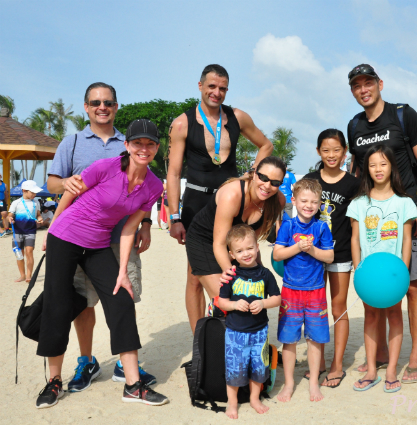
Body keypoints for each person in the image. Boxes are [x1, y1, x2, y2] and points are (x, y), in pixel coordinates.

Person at [36, 119, 167, 409]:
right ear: (127, 145)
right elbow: (70, 193)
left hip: (98, 244)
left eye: (150, 144)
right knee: (58, 305)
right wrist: (51, 230)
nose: (144, 148)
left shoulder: (154, 185)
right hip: (65, 236)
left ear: (157, 148)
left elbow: (130, 228)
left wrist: (122, 272)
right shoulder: (106, 167)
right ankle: (54, 381)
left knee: (122, 299)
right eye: (138, 142)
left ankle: (133, 385)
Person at [166, 64, 274, 334]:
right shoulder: (182, 123)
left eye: (222, 88)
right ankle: (199, 339)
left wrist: (253, 175)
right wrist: (174, 217)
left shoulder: (237, 117)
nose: (216, 92)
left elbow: (266, 145)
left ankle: (235, 326)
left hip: (232, 202)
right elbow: (174, 172)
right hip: (196, 203)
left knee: (239, 263)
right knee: (195, 276)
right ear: (200, 86)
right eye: (212, 86)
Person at [347, 64, 417, 384]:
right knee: (375, 284)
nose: (363, 89)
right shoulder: (354, 125)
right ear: (353, 91)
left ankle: (416, 354)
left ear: (380, 84)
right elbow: (358, 169)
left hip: (405, 211)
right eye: (357, 85)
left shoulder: (402, 115)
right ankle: (380, 354)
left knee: (412, 284)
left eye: (368, 83)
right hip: (372, 214)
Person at [347, 145, 417, 393]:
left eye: (383, 163)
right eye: (372, 164)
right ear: (366, 169)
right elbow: (355, 239)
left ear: (392, 167)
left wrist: (404, 272)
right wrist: (359, 270)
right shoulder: (358, 203)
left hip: (393, 275)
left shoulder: (404, 203)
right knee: (371, 316)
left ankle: (390, 371)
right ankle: (370, 371)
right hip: (369, 275)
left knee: (395, 316)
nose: (378, 169)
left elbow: (407, 240)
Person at [185, 156, 285, 310]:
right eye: (263, 178)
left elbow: (251, 240)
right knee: (226, 298)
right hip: (204, 239)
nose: (267, 186)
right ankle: (205, 325)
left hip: (237, 244)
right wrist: (233, 276)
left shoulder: (277, 201)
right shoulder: (232, 194)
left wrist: (259, 270)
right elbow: (219, 243)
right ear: (254, 174)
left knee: (249, 293)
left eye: (275, 182)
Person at [303, 129, 360, 388]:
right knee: (316, 308)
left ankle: (337, 365)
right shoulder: (310, 179)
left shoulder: (353, 184)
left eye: (336, 150)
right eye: (326, 150)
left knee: (338, 308)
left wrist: (357, 259)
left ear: (344, 151)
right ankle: (320, 362)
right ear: (318, 151)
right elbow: (300, 212)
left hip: (341, 254)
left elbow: (356, 224)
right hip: (311, 254)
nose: (331, 155)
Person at [274, 178, 334, 402]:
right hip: (291, 291)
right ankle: (289, 383)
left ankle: (313, 383)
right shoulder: (288, 225)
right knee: (289, 339)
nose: (309, 205)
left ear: (320, 204)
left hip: (316, 291)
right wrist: (298, 247)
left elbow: (329, 256)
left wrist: (311, 250)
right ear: (294, 200)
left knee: (315, 339)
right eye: (304, 201)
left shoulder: (321, 227)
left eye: (314, 202)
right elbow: (277, 254)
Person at [217, 224, 281, 419]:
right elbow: (221, 302)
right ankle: (232, 402)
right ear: (231, 254)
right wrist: (235, 305)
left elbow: (277, 298)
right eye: (239, 251)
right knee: (235, 369)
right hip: (235, 333)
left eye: (250, 248)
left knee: (259, 368)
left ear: (257, 247)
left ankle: (254, 398)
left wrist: (263, 303)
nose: (246, 254)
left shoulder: (265, 274)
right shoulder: (231, 276)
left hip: (260, 331)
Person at [8, 180, 43, 282]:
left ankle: (29, 276)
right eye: (32, 192)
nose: (34, 194)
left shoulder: (36, 202)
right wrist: (10, 218)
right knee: (19, 254)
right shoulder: (16, 202)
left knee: (29, 252)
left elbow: (38, 214)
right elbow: (10, 214)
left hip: (30, 231)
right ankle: (22, 275)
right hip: (17, 231)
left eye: (35, 192)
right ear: (24, 190)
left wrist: (40, 218)